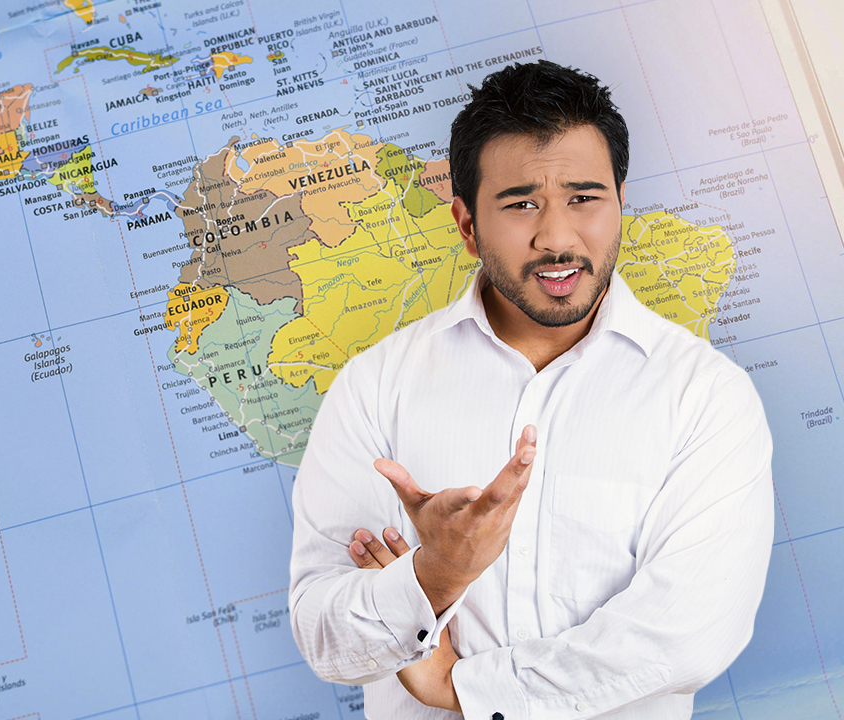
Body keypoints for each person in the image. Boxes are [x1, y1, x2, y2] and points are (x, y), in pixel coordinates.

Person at [288, 60, 773, 720]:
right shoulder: (376, 388)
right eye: (521, 204)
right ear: (466, 225)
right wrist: (437, 575)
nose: (557, 237)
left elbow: (686, 635)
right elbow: (323, 637)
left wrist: (460, 687)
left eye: (584, 198)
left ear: (620, 201)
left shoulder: (705, 396)